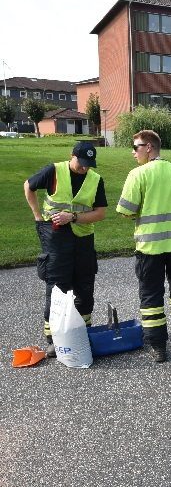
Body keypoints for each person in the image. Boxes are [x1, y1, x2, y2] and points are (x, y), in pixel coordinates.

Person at [116, 130, 171, 363]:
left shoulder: (137, 174)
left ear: (149, 147)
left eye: (136, 148)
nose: (133, 153)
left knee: (151, 296)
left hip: (151, 247)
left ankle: (159, 346)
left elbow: (125, 210)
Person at [23, 142, 107, 357]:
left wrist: (74, 217)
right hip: (56, 236)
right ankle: (53, 339)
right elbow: (28, 186)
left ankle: (83, 331)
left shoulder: (96, 180)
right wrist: (37, 216)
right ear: (72, 156)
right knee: (58, 286)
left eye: (89, 165)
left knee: (85, 285)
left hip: (83, 238)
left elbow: (100, 213)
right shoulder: (54, 171)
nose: (85, 168)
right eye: (81, 163)